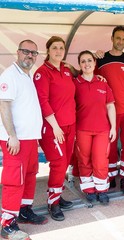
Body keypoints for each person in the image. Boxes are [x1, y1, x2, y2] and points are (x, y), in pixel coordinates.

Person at [0, 40, 48, 240]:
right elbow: (4, 105)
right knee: (14, 180)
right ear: (18, 52)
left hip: (29, 138)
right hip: (15, 140)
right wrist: (12, 135)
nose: (30, 55)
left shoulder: (26, 76)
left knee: (29, 175)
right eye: (26, 51)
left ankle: (24, 210)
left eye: (34, 53)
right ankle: (7, 224)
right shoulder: (10, 75)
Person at [94, 26, 124, 194]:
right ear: (112, 38)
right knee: (110, 145)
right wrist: (94, 56)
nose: (120, 41)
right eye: (118, 38)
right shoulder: (100, 59)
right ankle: (111, 174)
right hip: (108, 111)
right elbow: (91, 79)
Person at [34, 36, 76, 221]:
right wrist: (55, 126)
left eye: (61, 48)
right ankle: (53, 203)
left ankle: (56, 195)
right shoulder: (42, 73)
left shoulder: (66, 70)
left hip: (70, 125)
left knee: (64, 163)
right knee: (59, 164)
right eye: (55, 48)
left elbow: (81, 77)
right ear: (48, 50)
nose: (58, 51)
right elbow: (42, 102)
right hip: (53, 128)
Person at [74, 50, 116, 204]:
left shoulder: (102, 83)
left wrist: (113, 127)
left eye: (89, 60)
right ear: (79, 65)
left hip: (102, 130)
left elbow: (110, 106)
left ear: (94, 63)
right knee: (84, 161)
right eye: (83, 61)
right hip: (82, 129)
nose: (87, 64)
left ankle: (101, 189)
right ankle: (89, 190)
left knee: (100, 161)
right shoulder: (75, 84)